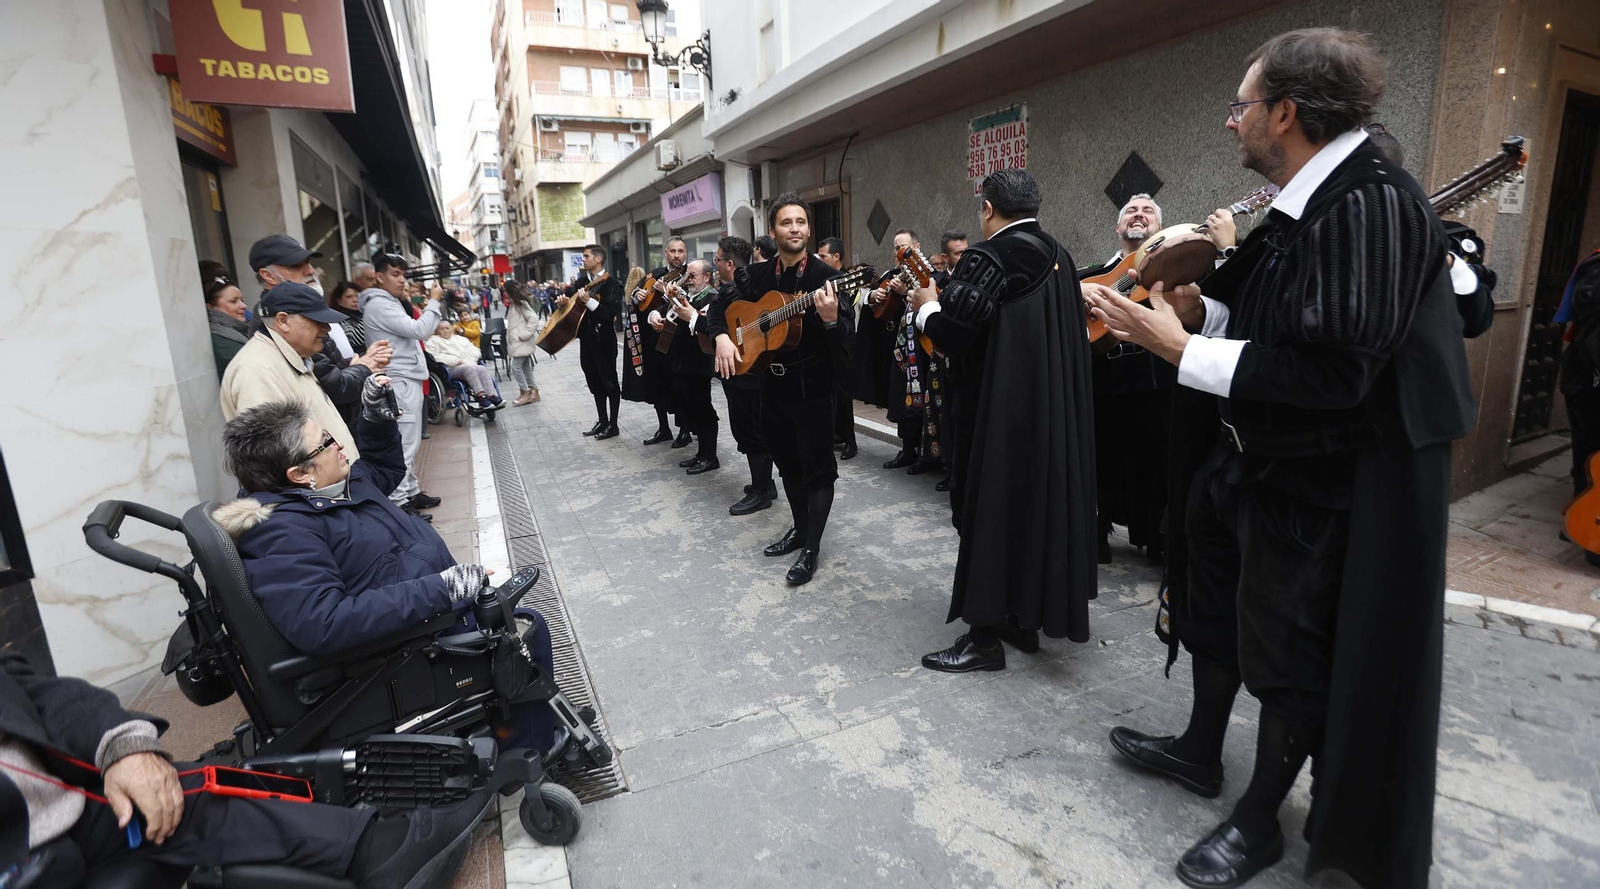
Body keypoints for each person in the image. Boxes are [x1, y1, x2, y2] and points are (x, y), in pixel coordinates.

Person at [1083, 28, 1479, 888]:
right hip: (1250, 460)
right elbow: (1282, 326)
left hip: (1323, 481)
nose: (1232, 124)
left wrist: (1175, 349)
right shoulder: (1309, 198)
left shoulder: (1369, 201)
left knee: (1291, 653)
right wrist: (1199, 317)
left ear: (1286, 113)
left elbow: (1335, 371)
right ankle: (1198, 748)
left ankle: (1259, 819)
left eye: (1241, 105)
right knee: (1214, 602)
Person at [218, 379, 552, 755]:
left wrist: (375, 419)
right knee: (525, 630)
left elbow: (382, 467)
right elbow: (323, 623)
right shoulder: (283, 531)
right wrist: (443, 590)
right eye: (326, 443)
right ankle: (527, 751)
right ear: (299, 474)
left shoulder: (335, 486)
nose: (339, 444)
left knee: (510, 616)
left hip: (429, 618)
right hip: (402, 649)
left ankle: (514, 728)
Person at [0, 648, 495, 889]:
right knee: (195, 800)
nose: (342, 448)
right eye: (328, 439)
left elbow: (28, 687)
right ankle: (380, 849)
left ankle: (375, 847)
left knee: (193, 793)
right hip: (23, 846)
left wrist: (125, 745)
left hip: (54, 806)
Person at [911, 169, 1098, 674]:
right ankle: (1021, 617)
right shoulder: (1059, 254)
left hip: (992, 417)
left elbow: (956, 334)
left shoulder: (988, 254)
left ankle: (983, 637)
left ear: (988, 210)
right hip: (1045, 417)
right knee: (1027, 512)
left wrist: (926, 309)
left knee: (982, 512)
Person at [711, 194, 853, 585]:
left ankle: (812, 548)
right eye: (787, 222)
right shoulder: (755, 276)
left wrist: (828, 320)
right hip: (770, 387)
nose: (795, 228)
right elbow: (718, 305)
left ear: (809, 229)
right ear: (773, 231)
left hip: (813, 388)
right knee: (788, 465)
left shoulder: (826, 278)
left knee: (818, 471)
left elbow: (846, 335)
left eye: (802, 222)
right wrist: (723, 335)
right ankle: (799, 528)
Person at [1082, 193, 1176, 565]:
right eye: (1131, 212)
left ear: (1159, 227)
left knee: (1158, 461)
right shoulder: (1091, 275)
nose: (1139, 216)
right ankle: (1096, 534)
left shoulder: (1174, 267)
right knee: (1100, 458)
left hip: (1156, 381)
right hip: (1104, 380)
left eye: (1148, 212)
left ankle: (1158, 538)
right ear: (1118, 228)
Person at [220, 281, 361, 460]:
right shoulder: (257, 371)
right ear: (283, 321)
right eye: (318, 320)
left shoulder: (290, 355)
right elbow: (273, 458)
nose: (326, 328)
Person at [359, 251, 445, 517]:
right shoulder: (379, 304)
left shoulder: (389, 301)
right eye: (395, 274)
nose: (401, 280)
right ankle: (400, 503)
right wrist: (433, 303)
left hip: (408, 377)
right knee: (405, 444)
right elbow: (419, 330)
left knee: (411, 442)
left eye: (403, 275)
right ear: (379, 276)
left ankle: (411, 492)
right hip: (399, 380)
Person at [710, 236, 779, 515]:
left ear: (728, 263)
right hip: (739, 368)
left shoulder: (756, 282)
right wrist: (721, 336)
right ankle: (765, 483)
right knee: (749, 429)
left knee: (753, 431)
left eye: (717, 260)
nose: (715, 265)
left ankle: (761, 491)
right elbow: (714, 316)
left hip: (754, 369)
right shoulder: (725, 288)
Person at [862, 229, 933, 472]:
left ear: (917, 247)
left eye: (904, 247)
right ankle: (907, 449)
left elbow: (928, 304)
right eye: (895, 248)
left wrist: (904, 294)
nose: (898, 252)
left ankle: (926, 454)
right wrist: (875, 295)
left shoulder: (925, 276)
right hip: (896, 350)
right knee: (899, 400)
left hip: (920, 353)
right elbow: (869, 303)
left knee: (921, 401)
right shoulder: (890, 275)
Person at [649, 258, 720, 474]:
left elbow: (705, 325)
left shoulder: (712, 297)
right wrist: (654, 315)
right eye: (687, 275)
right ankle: (701, 453)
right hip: (681, 362)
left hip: (699, 362)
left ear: (707, 277)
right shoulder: (688, 296)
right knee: (692, 407)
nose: (687, 280)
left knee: (703, 408)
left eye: (693, 276)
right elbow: (661, 309)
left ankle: (710, 456)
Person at [558, 245, 624, 439]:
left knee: (609, 381)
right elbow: (569, 310)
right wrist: (563, 303)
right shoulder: (579, 282)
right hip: (586, 341)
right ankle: (602, 420)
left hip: (604, 341)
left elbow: (610, 314)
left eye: (586, 256)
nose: (583, 260)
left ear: (598, 259)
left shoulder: (613, 284)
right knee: (593, 381)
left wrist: (589, 301)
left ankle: (613, 424)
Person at [627, 237, 687, 446]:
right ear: (666, 252)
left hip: (679, 341)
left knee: (680, 387)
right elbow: (635, 294)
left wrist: (667, 294)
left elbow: (691, 301)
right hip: (653, 339)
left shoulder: (689, 274)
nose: (677, 255)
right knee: (657, 384)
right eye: (673, 251)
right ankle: (664, 428)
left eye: (680, 251)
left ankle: (685, 430)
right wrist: (637, 294)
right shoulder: (656, 274)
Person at [932, 232, 970, 492]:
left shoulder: (972, 280)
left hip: (965, 363)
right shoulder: (939, 282)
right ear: (946, 258)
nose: (964, 256)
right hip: (943, 360)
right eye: (958, 253)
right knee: (944, 414)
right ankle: (950, 469)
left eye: (966, 250)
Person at [817, 237, 859, 460]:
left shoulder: (844, 281)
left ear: (836, 257)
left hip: (843, 344)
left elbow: (847, 312)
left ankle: (850, 441)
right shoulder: (819, 279)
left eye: (823, 256)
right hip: (824, 345)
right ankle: (834, 434)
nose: (819, 260)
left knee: (843, 394)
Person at [427, 321, 502, 409]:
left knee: (481, 368)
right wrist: (454, 361)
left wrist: (468, 361)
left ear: (452, 329)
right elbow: (434, 356)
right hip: (449, 369)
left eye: (447, 328)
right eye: (442, 329)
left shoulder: (461, 339)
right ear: (437, 331)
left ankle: (491, 396)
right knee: (469, 368)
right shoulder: (433, 341)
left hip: (467, 365)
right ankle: (481, 397)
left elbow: (475, 350)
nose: (445, 331)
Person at [204, 271, 249, 379]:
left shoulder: (244, 330)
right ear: (211, 307)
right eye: (234, 301)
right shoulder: (220, 339)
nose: (243, 305)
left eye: (241, 300)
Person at [504, 280, 542, 405]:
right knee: (525, 367)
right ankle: (533, 391)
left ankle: (525, 393)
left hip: (521, 341)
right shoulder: (516, 303)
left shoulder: (519, 303)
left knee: (516, 367)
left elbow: (533, 319)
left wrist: (523, 334)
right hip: (520, 341)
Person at [326, 280, 368, 356]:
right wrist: (368, 315)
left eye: (357, 296)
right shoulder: (339, 319)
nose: (355, 300)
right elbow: (353, 340)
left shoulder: (363, 313)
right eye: (349, 297)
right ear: (339, 301)